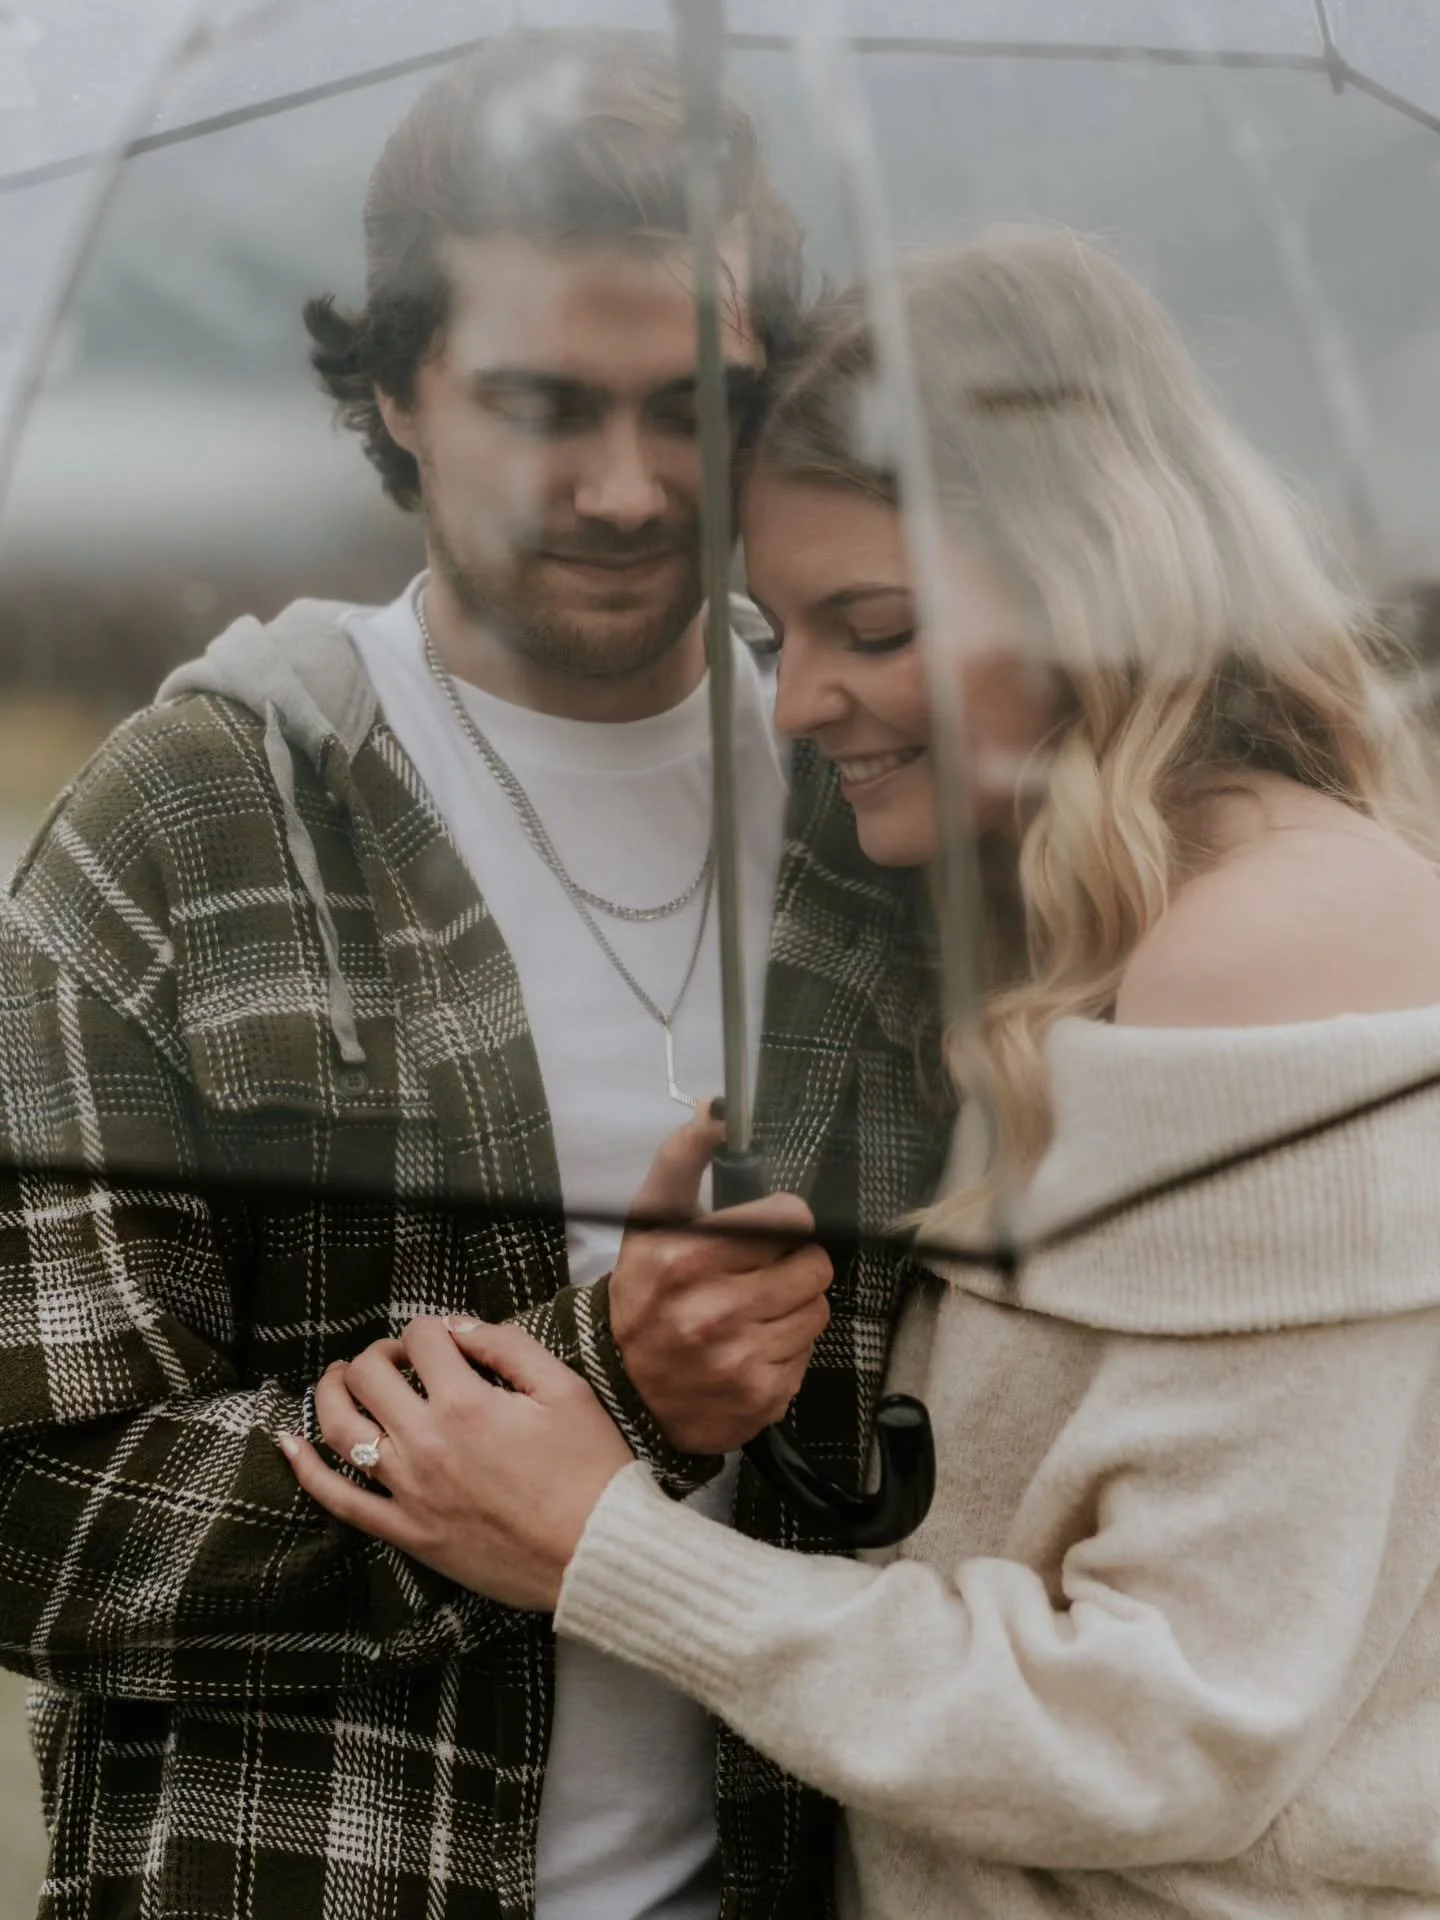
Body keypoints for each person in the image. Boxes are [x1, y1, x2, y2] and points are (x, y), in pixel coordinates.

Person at [289, 226, 1440, 1919]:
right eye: (779, 624)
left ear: (1096, 585)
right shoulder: (1076, 931)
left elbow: (1174, 1724)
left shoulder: (1274, 943)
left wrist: (609, 1548)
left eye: (873, 628)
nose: (798, 698)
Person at [0, 34, 945, 1920]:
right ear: (402, 390)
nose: (622, 488)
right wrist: (615, 1390)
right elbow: (37, 1519)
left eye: (693, 407)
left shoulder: (886, 806)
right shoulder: (189, 825)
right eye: (543, 403)